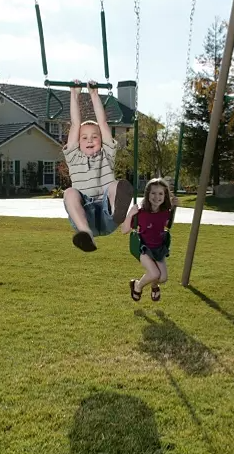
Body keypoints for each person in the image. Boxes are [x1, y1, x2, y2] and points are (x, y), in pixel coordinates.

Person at [62, 82, 133, 252]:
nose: (90, 140)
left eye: (95, 137)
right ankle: (86, 234)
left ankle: (119, 215)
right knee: (70, 192)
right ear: (78, 142)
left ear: (101, 141)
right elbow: (75, 123)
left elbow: (103, 123)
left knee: (117, 185)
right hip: (85, 216)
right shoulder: (73, 157)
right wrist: (74, 94)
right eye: (84, 137)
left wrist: (94, 95)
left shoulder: (107, 155)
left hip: (107, 214)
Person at [122, 177, 178, 302]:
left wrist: (174, 207)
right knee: (154, 274)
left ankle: (154, 285)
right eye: (153, 193)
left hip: (159, 248)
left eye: (160, 193)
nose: (156, 197)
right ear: (147, 194)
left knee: (163, 278)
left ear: (165, 196)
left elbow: (167, 224)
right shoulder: (141, 213)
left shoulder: (166, 212)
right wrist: (130, 214)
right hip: (144, 248)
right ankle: (137, 285)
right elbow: (124, 230)